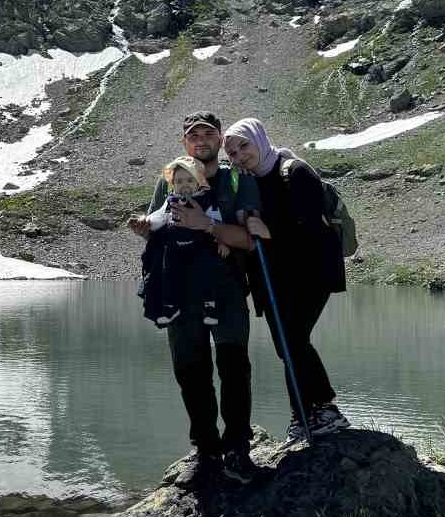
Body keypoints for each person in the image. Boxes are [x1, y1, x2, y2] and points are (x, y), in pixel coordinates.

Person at [129, 112, 267, 483]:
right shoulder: (170, 179)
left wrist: (207, 227)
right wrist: (146, 231)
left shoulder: (238, 177)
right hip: (179, 290)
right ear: (184, 142)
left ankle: (237, 446)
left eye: (208, 133)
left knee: (234, 367)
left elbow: (250, 240)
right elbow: (161, 231)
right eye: (194, 135)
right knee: (190, 371)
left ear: (221, 138)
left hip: (226, 288)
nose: (201, 140)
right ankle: (205, 448)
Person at [222, 117, 349, 446]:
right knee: (286, 344)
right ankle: (304, 414)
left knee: (292, 339)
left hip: (312, 273)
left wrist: (270, 232)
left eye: (243, 146)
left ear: (259, 140)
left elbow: (312, 231)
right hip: (276, 278)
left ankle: (323, 409)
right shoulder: (247, 181)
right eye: (232, 152)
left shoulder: (294, 171)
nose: (239, 156)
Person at [140, 154, 232, 328]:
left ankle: (209, 306)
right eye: (180, 181)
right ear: (173, 184)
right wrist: (145, 222)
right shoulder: (170, 201)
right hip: (174, 249)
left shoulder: (207, 200)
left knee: (206, 273)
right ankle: (170, 306)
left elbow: (217, 222)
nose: (185, 185)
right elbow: (158, 218)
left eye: (190, 180)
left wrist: (221, 241)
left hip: (201, 246)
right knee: (169, 274)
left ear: (198, 182)